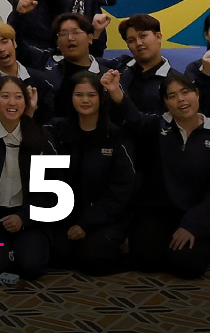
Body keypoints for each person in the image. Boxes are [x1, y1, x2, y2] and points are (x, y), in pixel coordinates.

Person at [105, 70, 210, 279]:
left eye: (185, 92)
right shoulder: (156, 126)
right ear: (165, 103)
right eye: (172, 96)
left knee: (187, 266)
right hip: (158, 212)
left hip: (196, 214)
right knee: (145, 261)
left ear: (197, 94)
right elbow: (135, 119)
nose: (180, 100)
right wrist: (116, 92)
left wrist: (192, 226)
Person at [44, 72, 135, 276]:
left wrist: (86, 223)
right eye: (79, 95)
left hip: (106, 217)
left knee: (93, 259)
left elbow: (120, 190)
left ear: (101, 98)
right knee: (57, 255)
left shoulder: (116, 136)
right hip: (69, 215)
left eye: (91, 95)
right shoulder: (58, 130)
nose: (85, 100)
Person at [0, 77, 55, 281]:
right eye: (5, 96)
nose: (12, 103)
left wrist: (24, 217)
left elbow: (52, 187)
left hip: (27, 214)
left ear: (27, 102)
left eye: (18, 97)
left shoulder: (39, 136)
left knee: (31, 266)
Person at [0, 24, 56, 124]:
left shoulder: (39, 79)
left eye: (4, 41)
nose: (1, 49)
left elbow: (47, 121)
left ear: (14, 43)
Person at [45, 14, 114, 120]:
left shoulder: (107, 76)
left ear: (90, 37)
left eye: (76, 32)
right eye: (63, 34)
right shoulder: (49, 74)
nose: (70, 38)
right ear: (57, 43)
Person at [113, 14, 174, 116]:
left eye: (143, 36)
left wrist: (121, 100)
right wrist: (96, 33)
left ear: (158, 37)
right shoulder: (119, 68)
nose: (138, 43)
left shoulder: (174, 80)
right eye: (131, 40)